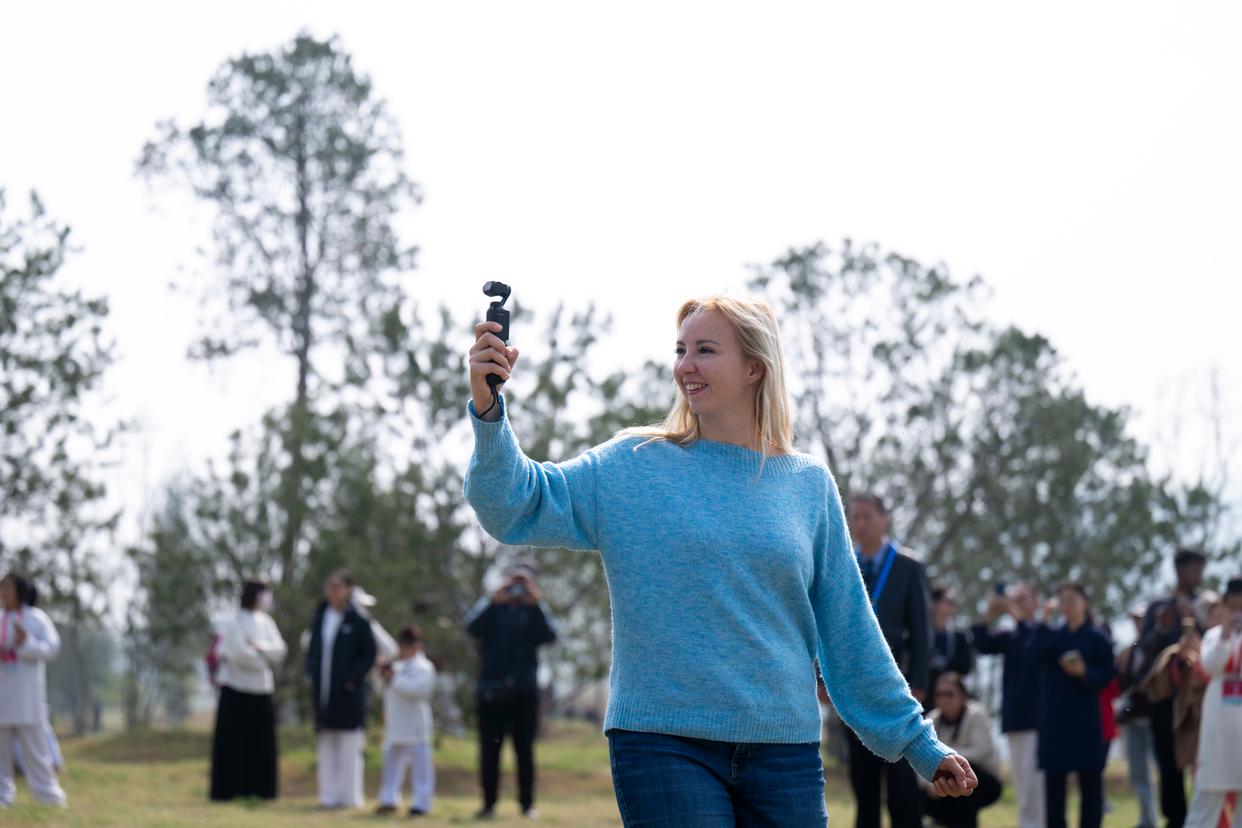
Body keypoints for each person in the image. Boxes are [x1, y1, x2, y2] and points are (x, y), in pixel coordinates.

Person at [463, 295, 978, 827]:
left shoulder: (808, 485)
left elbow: (850, 632)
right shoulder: (633, 465)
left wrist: (919, 743)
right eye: (680, 350)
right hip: (663, 744)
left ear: (755, 367)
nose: (685, 365)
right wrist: (489, 410)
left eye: (705, 350)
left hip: (785, 752)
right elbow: (514, 505)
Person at [845, 492, 935, 828]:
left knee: (902, 785)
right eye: (855, 517)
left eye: (867, 517)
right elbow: (829, 624)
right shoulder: (845, 564)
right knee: (863, 782)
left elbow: (923, 631)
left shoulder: (908, 566)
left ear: (885, 520)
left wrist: (920, 682)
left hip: (898, 687)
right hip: (854, 690)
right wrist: (824, 679)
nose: (860, 524)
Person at [464, 561, 558, 819]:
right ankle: (488, 804)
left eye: (524, 582)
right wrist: (493, 601)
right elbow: (471, 628)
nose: (518, 587)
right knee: (489, 752)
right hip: (491, 693)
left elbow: (550, 635)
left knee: (524, 752)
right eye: (514, 580)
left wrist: (536, 605)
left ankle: (527, 805)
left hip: (523, 695)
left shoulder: (535, 610)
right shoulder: (493, 606)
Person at [1029, 582, 1117, 828]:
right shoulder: (1052, 635)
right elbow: (1031, 655)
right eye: (1063, 600)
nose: (1067, 605)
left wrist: (1085, 672)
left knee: (1091, 785)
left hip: (1086, 721)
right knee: (1054, 787)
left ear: (1084, 603)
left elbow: (1109, 673)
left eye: (1072, 600)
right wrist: (1043, 622)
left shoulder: (1097, 638)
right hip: (1055, 721)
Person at [1140, 547, 1206, 828]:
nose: (1198, 575)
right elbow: (1143, 649)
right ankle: (1175, 820)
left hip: (1198, 699)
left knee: (1203, 760)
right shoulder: (1158, 606)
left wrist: (1197, 619)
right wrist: (1162, 628)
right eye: (1193, 569)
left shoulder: (1207, 603)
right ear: (1179, 570)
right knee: (1168, 763)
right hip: (1166, 699)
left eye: (1201, 570)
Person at [971, 581, 1044, 828]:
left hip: (1037, 720)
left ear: (1037, 603)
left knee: (1035, 786)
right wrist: (989, 615)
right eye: (1015, 599)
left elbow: (1032, 641)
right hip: (1014, 718)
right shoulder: (1009, 635)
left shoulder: (1042, 632)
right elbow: (981, 643)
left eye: (1023, 599)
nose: (1017, 603)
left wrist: (1012, 610)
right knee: (1022, 785)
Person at [305, 569, 377, 810]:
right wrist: (311, 673)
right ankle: (328, 795)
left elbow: (369, 653)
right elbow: (313, 650)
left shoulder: (358, 620)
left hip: (348, 693)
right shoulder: (320, 617)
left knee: (349, 744)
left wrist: (352, 679)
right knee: (326, 743)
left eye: (338, 587)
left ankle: (349, 796)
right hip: (323, 692)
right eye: (330, 586)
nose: (333, 591)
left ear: (348, 590)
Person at [210, 578, 287, 801]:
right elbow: (239, 654)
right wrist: (264, 658)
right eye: (264, 593)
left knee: (260, 744)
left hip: (261, 689)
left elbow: (280, 650)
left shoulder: (266, 622)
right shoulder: (234, 621)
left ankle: (261, 790)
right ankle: (231, 790)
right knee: (234, 744)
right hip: (236, 689)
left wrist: (260, 648)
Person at [0, 572, 66, 808]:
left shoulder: (36, 618)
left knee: (37, 753)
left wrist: (26, 643)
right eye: (2, 587)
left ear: (20, 591)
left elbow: (52, 648)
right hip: (2, 695)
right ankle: (2, 797)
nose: (4, 592)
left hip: (28, 696)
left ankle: (48, 797)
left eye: (8, 587)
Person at [1184, 578, 1242, 828]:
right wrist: (1226, 635)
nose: (1237, 613)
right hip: (1218, 725)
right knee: (1207, 796)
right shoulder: (1213, 636)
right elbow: (1209, 666)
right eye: (1232, 607)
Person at [923, 673, 1002, 828]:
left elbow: (981, 751)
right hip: (940, 784)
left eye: (949, 694)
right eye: (939, 694)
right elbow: (920, 757)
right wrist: (929, 784)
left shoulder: (976, 714)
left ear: (962, 696)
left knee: (964, 777)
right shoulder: (932, 720)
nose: (944, 699)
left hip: (982, 781)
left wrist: (947, 758)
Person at [376, 626, 437, 817]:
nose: (404, 649)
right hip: (394, 724)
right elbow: (381, 690)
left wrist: (394, 678)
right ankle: (388, 800)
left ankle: (421, 803)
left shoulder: (424, 667)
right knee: (391, 767)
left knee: (421, 769)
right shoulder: (395, 666)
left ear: (417, 646)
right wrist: (382, 673)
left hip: (415, 725)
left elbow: (419, 691)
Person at [1117, 604, 1159, 828]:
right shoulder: (1131, 650)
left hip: (1153, 719)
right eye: (1134, 619)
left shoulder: (1157, 644)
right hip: (1133, 719)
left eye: (1140, 619)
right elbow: (1123, 683)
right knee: (1138, 773)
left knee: (1162, 771)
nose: (1137, 624)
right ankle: (1148, 819)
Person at [927, 586, 974, 710]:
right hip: (923, 696)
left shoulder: (959, 637)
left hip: (948, 700)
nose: (950, 607)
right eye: (947, 602)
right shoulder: (920, 635)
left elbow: (965, 667)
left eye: (953, 604)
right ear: (934, 603)